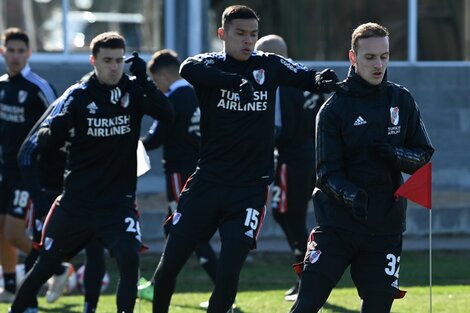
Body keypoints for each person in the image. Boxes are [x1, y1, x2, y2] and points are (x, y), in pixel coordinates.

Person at [152, 5, 340, 313]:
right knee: (168, 267)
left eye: (253, 34)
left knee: (228, 276)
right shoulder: (210, 66)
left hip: (249, 191)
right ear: (223, 34)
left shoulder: (269, 65)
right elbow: (187, 67)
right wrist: (230, 82)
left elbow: (306, 76)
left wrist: (323, 80)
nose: (247, 41)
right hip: (206, 184)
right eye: (240, 34)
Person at [8, 31, 174, 313]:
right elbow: (43, 144)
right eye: (107, 60)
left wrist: (145, 81)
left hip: (117, 203)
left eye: (119, 60)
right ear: (93, 61)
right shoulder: (78, 95)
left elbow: (167, 115)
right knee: (45, 264)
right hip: (76, 203)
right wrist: (53, 133)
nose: (114, 67)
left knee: (129, 257)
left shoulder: (132, 90)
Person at [289, 22, 435, 313]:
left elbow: (423, 154)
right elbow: (326, 174)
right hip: (336, 227)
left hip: (385, 228)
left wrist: (395, 153)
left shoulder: (401, 99)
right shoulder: (333, 110)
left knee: (378, 307)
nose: (379, 64)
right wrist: (353, 196)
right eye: (370, 57)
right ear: (353, 58)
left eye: (385, 56)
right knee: (306, 306)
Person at [18, 75, 107, 311]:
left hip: (84, 194)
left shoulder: (106, 114)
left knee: (96, 247)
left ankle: (91, 307)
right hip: (49, 192)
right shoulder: (60, 110)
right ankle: (28, 305)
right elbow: (26, 153)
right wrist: (37, 198)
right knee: (40, 250)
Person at [137, 49, 218, 303]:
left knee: (186, 230)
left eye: (155, 81)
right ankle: (158, 282)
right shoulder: (197, 93)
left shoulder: (173, 97)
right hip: (200, 168)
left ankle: (221, 288)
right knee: (172, 226)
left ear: (162, 75)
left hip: (179, 172)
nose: (156, 88)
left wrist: (129, 143)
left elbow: (155, 137)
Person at [254, 34, 325, 301]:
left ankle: (308, 276)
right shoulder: (305, 77)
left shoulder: (281, 83)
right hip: (312, 157)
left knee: (287, 216)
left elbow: (281, 129)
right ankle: (307, 276)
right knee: (290, 216)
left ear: (272, 56)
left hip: (291, 159)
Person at [0, 27, 56, 302]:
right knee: (1, 230)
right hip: (3, 170)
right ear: (3, 52)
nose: (15, 56)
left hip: (28, 172)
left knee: (13, 232)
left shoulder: (38, 87)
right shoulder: (1, 85)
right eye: (11, 50)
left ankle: (56, 267)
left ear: (29, 54)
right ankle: (10, 286)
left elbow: (59, 119)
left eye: (21, 51)